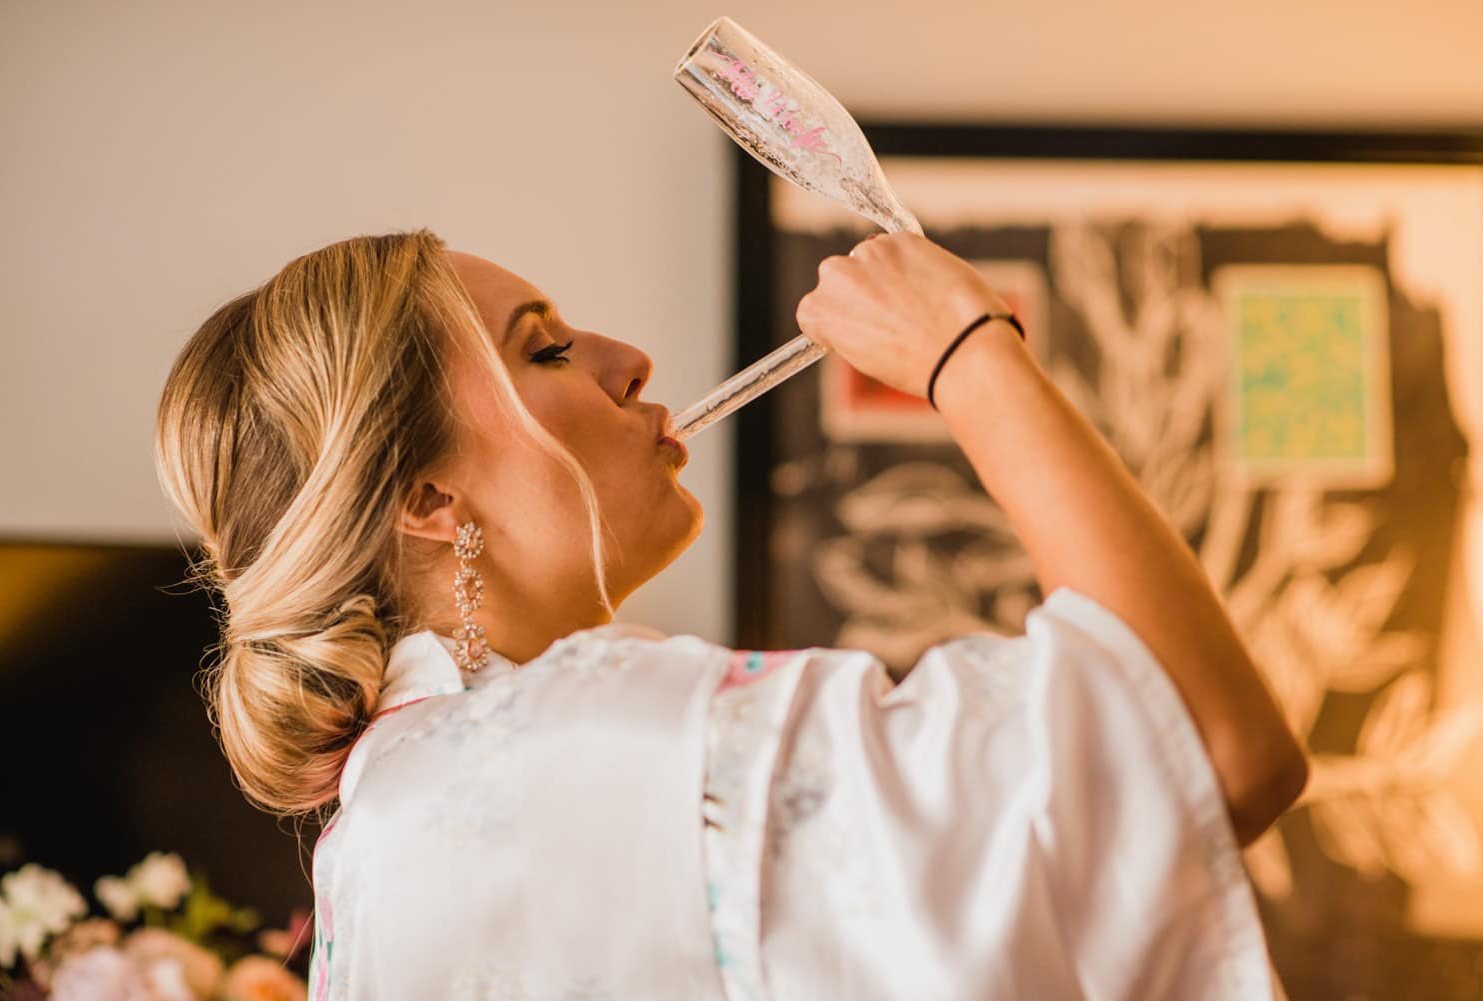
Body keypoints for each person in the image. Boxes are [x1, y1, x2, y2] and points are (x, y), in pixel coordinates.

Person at [152, 227, 1308, 1001]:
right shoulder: (592, 744)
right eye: (547, 349)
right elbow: (1207, 744)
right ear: (425, 496)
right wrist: (966, 349)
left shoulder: (394, 817)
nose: (628, 360)